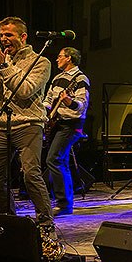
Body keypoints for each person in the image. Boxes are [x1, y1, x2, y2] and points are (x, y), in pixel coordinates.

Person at [0, 17, 53, 229]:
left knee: (30, 174)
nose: (3, 39)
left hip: (29, 125)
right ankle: (8, 219)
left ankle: (46, 223)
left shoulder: (40, 62)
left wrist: (3, 65)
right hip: (3, 127)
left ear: (23, 36)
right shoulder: (0, 61)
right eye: (1, 35)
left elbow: (26, 90)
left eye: (8, 35)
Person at [43, 47, 90, 216]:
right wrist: (43, 111)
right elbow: (48, 99)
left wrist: (69, 102)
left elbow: (81, 105)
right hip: (57, 123)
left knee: (54, 159)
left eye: (59, 56)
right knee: (58, 160)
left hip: (71, 124)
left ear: (69, 58)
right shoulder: (57, 78)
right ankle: (64, 202)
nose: (57, 59)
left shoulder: (81, 78)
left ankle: (64, 204)